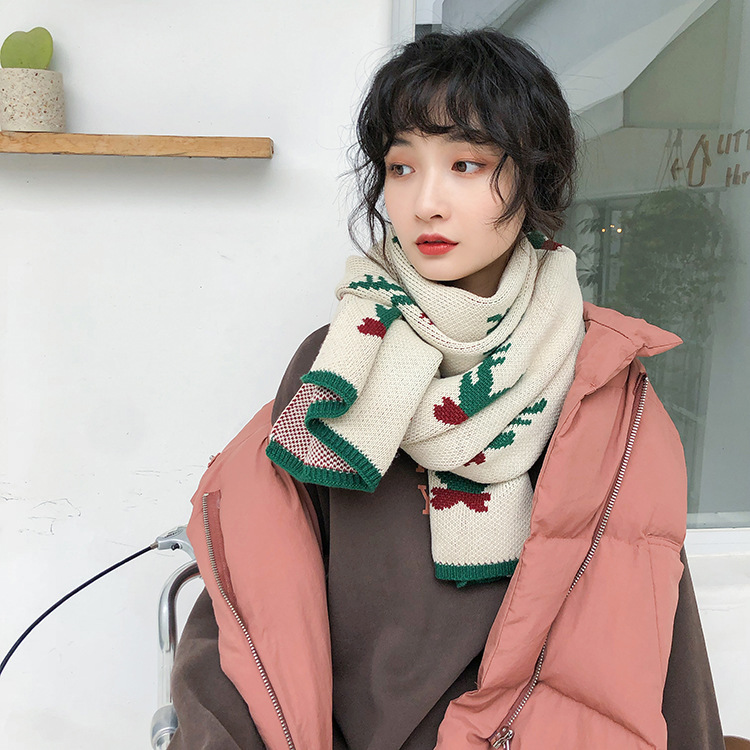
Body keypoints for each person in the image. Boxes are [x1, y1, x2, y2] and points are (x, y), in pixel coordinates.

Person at [168, 29, 724, 750]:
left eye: (466, 164)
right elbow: (253, 590)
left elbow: (657, 620)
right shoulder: (337, 368)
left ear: (534, 177)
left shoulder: (602, 382)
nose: (426, 202)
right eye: (401, 167)